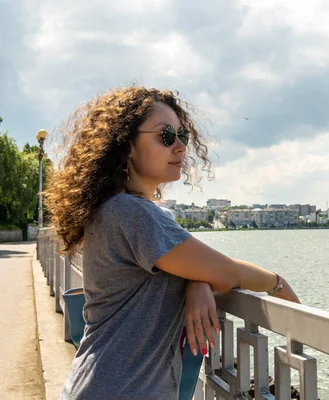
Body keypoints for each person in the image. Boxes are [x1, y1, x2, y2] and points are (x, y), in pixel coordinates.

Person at [45, 86, 300, 400]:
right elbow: (226, 272)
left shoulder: (117, 209)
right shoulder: (131, 214)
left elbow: (198, 266)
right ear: (126, 144)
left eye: (183, 137)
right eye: (166, 136)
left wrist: (196, 281)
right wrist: (276, 283)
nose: (180, 147)